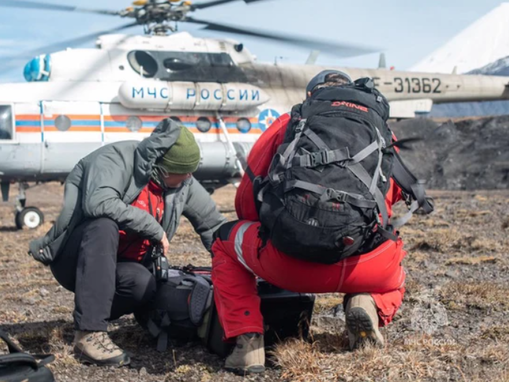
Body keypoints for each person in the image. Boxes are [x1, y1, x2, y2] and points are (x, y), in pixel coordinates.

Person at [211, 70, 415, 374]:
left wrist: (282, 227)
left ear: (311, 97)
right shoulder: (380, 130)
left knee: (224, 240)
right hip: (363, 267)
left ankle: (248, 344)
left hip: (288, 265)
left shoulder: (289, 123)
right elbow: (394, 199)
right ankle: (367, 302)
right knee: (395, 254)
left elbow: (245, 201)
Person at [29, 118, 226, 367]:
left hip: (120, 267)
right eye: (184, 172)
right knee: (103, 224)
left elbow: (212, 224)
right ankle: (89, 333)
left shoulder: (182, 183)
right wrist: (153, 227)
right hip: (76, 258)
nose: (189, 178)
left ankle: (92, 311)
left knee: (143, 284)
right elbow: (98, 203)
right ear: (161, 168)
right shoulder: (116, 159)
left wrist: (236, 262)